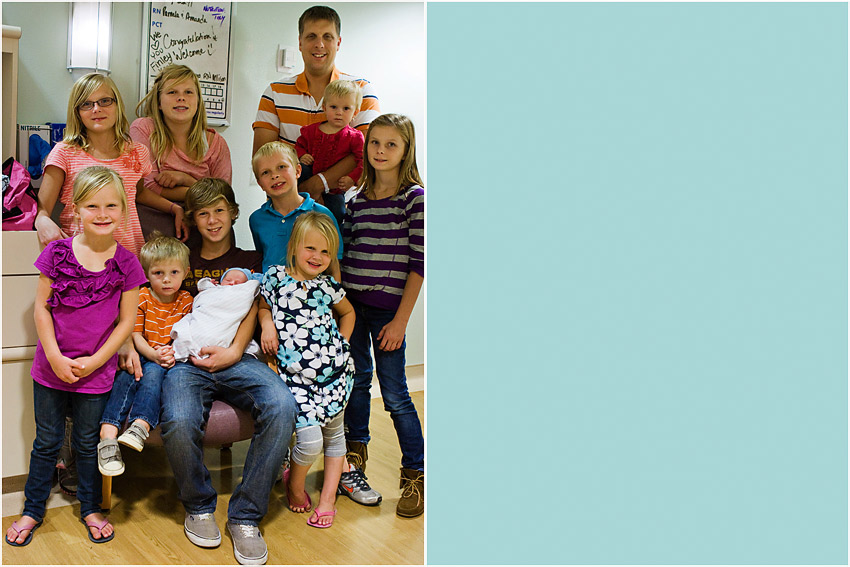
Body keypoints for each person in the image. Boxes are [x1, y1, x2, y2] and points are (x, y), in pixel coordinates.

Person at [4, 166, 147, 547]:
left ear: (123, 209)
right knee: (46, 442)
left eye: (111, 205)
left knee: (86, 443)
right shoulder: (56, 253)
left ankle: (90, 508)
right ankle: (33, 509)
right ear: (76, 208)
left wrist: (97, 361)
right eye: (93, 206)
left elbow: (126, 322)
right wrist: (53, 356)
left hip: (96, 373)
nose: (102, 214)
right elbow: (41, 309)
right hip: (49, 369)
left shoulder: (128, 263)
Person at [157, 178, 295, 565]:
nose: (213, 220)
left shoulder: (251, 260)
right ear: (192, 219)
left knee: (282, 406)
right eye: (203, 213)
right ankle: (199, 506)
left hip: (238, 357)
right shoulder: (180, 257)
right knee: (178, 419)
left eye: (219, 210)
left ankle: (246, 516)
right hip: (188, 361)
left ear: (233, 213)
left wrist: (233, 352)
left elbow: (255, 308)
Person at [340, 114, 425, 517]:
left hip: (388, 313)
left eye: (392, 144)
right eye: (375, 142)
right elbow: (345, 254)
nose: (381, 151)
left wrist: (401, 321)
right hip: (352, 310)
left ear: (406, 150)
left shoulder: (415, 199)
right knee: (356, 385)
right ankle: (354, 466)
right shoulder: (355, 199)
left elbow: (420, 264)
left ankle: (415, 475)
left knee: (394, 394)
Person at [258, 212, 355, 529]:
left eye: (326, 251)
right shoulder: (275, 278)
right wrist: (267, 325)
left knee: (336, 438)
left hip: (334, 375)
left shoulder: (328, 286)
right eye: (311, 248)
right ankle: (295, 485)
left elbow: (348, 313)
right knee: (310, 442)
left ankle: (328, 500)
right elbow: (263, 306)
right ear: (294, 247)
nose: (317, 257)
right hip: (296, 380)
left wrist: (342, 343)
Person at [34, 72, 187, 256]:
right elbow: (42, 210)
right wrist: (42, 220)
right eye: (86, 104)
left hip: (128, 258)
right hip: (80, 260)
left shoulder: (137, 152)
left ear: (117, 105)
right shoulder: (64, 153)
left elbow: (138, 193)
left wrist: (173, 207)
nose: (96, 109)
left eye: (105, 101)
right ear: (77, 112)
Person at [252, 5, 379, 211]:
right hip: (287, 209)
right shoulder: (274, 93)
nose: (319, 44)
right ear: (300, 42)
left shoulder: (362, 90)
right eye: (311, 36)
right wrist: (296, 197)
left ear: (338, 43)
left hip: (347, 211)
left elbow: (367, 153)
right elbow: (262, 160)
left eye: (327, 37)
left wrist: (316, 185)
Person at [97, 234, 193, 477]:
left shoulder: (186, 301)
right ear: (146, 274)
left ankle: (140, 426)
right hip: (142, 351)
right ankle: (107, 435)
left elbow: (188, 333)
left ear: (185, 272)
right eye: (158, 273)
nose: (167, 279)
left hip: (168, 358)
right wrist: (152, 353)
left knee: (153, 375)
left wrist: (170, 352)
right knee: (126, 377)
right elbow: (135, 334)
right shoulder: (142, 297)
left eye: (174, 272)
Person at [131, 64, 232, 239]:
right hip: (156, 217)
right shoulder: (143, 128)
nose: (181, 98)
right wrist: (200, 190)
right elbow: (146, 186)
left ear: (198, 101)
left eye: (188, 92)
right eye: (172, 92)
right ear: (159, 102)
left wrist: (185, 179)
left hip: (203, 220)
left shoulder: (217, 143)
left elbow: (223, 198)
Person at [249, 141, 342, 274]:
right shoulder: (257, 219)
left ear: (298, 171)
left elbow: (334, 264)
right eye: (265, 172)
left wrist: (336, 287)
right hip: (270, 286)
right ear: (260, 184)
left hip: (312, 287)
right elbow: (262, 256)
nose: (274, 176)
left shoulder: (322, 214)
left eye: (281, 167)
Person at [295, 80, 364, 224]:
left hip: (335, 189)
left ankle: (333, 237)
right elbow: (299, 145)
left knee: (338, 215)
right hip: (307, 180)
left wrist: (352, 178)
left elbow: (363, 161)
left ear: (355, 112)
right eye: (334, 107)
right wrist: (302, 155)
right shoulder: (310, 130)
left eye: (346, 108)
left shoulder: (355, 137)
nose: (339, 112)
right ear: (324, 107)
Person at [170, 267, 262, 363]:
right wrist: (208, 283)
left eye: (238, 282)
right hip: (205, 318)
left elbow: (255, 286)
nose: (232, 283)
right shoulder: (214, 289)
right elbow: (202, 285)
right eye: (228, 280)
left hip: (232, 345)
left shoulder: (244, 292)